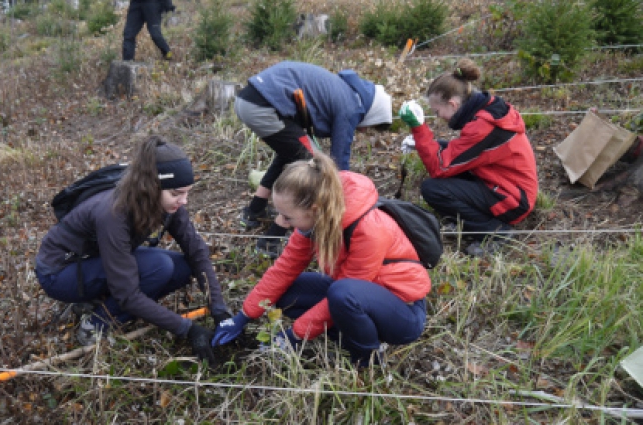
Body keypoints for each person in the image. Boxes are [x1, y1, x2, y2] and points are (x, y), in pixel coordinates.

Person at [211, 152, 430, 367]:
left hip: (403, 312)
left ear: (313, 209)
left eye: (287, 217)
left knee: (343, 294)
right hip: (355, 296)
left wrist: (294, 335)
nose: (282, 222)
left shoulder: (370, 229)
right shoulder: (314, 222)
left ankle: (368, 358)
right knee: (288, 294)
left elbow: (351, 288)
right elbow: (283, 270)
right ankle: (351, 336)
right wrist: (243, 316)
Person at [34, 135, 229, 363]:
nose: (183, 201)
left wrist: (219, 309)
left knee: (182, 268)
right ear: (152, 187)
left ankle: (100, 300)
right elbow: (127, 294)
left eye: (187, 192)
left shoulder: (166, 203)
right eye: (176, 194)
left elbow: (197, 252)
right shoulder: (113, 213)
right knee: (160, 268)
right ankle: (95, 324)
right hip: (60, 273)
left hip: (97, 259)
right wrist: (188, 329)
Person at [235, 61, 393, 258]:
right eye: (369, 126)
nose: (363, 130)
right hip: (263, 107)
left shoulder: (344, 90)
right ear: (372, 114)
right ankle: (270, 241)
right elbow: (338, 161)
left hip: (248, 100)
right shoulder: (352, 106)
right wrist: (344, 196)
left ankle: (254, 211)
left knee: (290, 153)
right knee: (314, 168)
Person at [399, 58, 538, 257]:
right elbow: (459, 153)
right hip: (506, 185)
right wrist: (423, 144)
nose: (438, 117)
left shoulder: (482, 126)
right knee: (443, 150)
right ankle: (468, 220)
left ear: (453, 104)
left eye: (437, 111)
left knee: (433, 189)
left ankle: (495, 232)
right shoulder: (488, 110)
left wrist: (419, 129)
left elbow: (439, 167)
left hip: (512, 201)